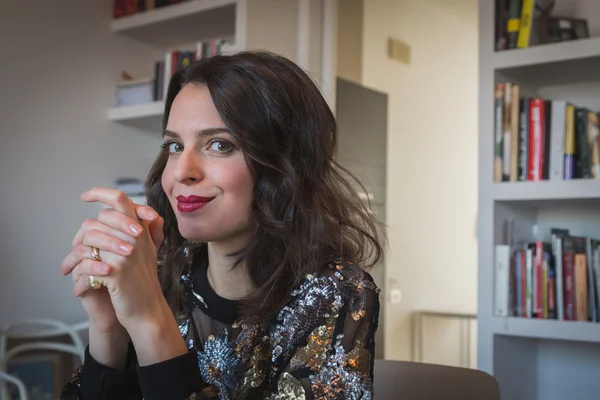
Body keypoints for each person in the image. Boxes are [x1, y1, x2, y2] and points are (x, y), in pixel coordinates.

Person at [59, 50, 386, 400]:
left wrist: (151, 320)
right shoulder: (160, 273)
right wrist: (109, 329)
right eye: (174, 145)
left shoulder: (334, 294)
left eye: (219, 144)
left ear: (285, 164)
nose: (182, 171)